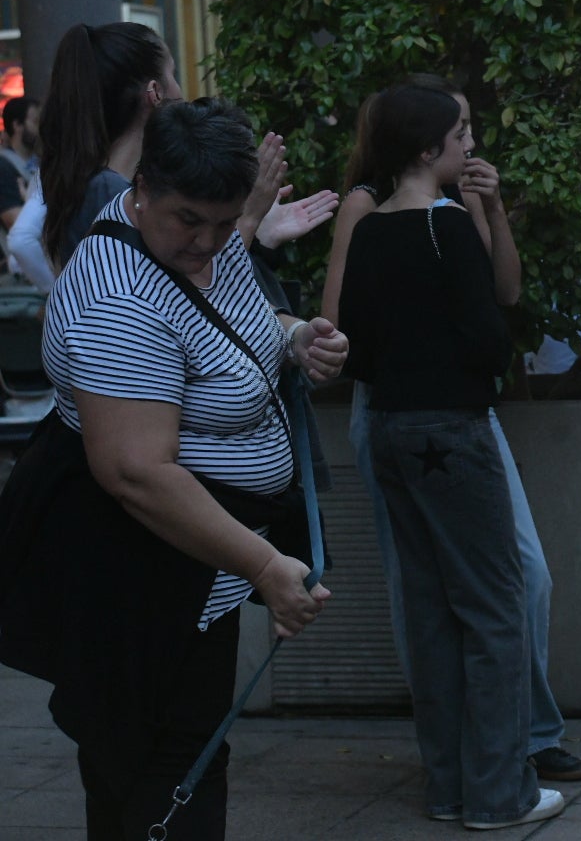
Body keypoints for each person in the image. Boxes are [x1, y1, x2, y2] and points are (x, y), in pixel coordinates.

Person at [2, 99, 340, 839]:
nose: (209, 243)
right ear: (144, 187)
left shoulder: (200, 244)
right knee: (157, 767)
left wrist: (292, 337)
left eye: (226, 224)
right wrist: (264, 566)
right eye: (190, 220)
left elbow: (233, 323)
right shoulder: (117, 298)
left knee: (181, 755)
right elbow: (135, 472)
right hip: (137, 571)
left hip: (191, 567)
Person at [322, 78, 581, 790]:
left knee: (512, 580)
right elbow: (346, 323)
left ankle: (506, 747)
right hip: (419, 411)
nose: (471, 143)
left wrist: (490, 208)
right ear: (424, 144)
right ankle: (486, 764)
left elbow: (505, 291)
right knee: (440, 595)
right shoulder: (369, 209)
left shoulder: (450, 207)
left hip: (443, 412)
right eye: (460, 130)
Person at [37, 23, 183, 271]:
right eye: (173, 74)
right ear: (155, 93)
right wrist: (249, 220)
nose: (180, 91)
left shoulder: (97, 185)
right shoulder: (110, 193)